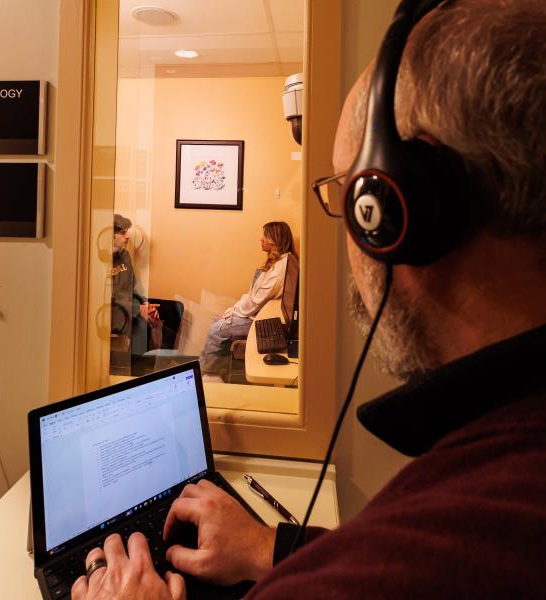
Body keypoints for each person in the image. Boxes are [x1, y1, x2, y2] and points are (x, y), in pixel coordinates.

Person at [72, 1, 546, 598]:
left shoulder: (437, 547)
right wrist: (271, 547)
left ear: (395, 214)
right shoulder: (499, 481)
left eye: (347, 194)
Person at [199, 221, 296, 380]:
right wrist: (232, 310)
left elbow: (254, 303)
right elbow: (252, 296)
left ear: (274, 239)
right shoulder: (278, 262)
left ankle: (208, 375)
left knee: (216, 331)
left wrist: (231, 312)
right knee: (217, 320)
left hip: (255, 317)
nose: (261, 239)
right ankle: (215, 371)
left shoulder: (280, 268)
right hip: (253, 312)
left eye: (264, 236)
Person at [111, 213, 160, 356]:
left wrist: (145, 304)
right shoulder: (99, 261)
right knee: (142, 325)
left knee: (163, 325)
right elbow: (110, 297)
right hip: (114, 312)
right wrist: (138, 309)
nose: (127, 237)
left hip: (130, 307)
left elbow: (131, 287)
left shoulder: (125, 256)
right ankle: (134, 371)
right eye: (123, 233)